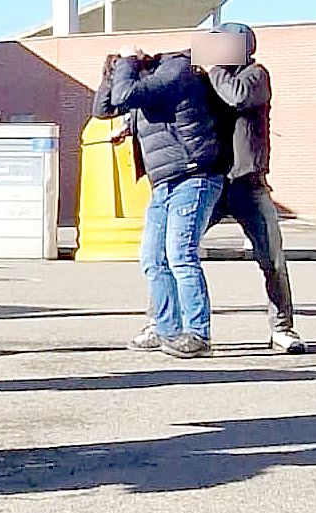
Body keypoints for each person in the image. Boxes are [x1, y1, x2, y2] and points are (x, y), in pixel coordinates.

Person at [95, 47, 228, 358]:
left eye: (125, 69)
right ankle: (167, 330)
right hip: (163, 184)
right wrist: (111, 71)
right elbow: (102, 108)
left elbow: (125, 95)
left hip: (193, 176)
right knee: (153, 258)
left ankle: (198, 334)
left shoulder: (176, 70)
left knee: (180, 255)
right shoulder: (143, 89)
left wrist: (127, 62)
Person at [199, 23, 304, 354]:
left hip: (248, 182)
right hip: (211, 181)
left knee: (271, 258)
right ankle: (164, 322)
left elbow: (237, 96)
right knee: (175, 251)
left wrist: (212, 67)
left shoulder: (255, 75)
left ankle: (282, 328)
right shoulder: (210, 79)